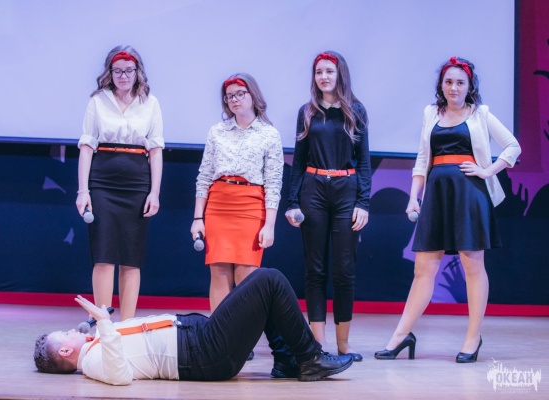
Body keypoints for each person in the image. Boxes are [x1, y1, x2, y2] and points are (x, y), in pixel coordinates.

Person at [375, 56, 521, 363]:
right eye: (449, 81)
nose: (454, 87)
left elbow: (513, 146)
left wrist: (487, 171)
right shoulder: (431, 112)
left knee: (472, 266)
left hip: (470, 194)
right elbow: (422, 158)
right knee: (423, 268)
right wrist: (413, 197)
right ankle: (400, 336)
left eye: (460, 82)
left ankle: (472, 338)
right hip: (437, 194)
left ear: (469, 86)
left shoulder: (480, 113)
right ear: (441, 85)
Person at [33, 269, 354, 384]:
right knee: (269, 280)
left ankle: (286, 361)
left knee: (261, 288)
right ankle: (310, 358)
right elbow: (119, 376)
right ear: (66, 351)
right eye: (67, 335)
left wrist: (106, 327)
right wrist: (105, 324)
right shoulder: (91, 362)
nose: (73, 331)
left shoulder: (95, 349)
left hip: (200, 340)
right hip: (204, 354)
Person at [285, 51, 371, 361]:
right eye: (319, 71)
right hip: (314, 189)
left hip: (346, 190)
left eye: (329, 71)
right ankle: (318, 347)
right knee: (315, 269)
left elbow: (364, 161)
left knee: (344, 270)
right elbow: (298, 161)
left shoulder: (356, 111)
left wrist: (363, 202)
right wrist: (292, 201)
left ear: (340, 75)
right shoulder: (307, 112)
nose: (323, 76)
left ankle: (344, 346)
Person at [76, 45, 164, 321]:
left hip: (137, 183)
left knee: (131, 257)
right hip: (102, 181)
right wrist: (83, 191)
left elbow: (156, 150)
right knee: (103, 254)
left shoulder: (150, 103)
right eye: (117, 71)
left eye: (128, 71)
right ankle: (103, 323)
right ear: (109, 73)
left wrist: (155, 192)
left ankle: (126, 327)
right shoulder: (97, 101)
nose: (123, 76)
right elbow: (87, 147)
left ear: (138, 72)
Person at [190, 73, 284, 312]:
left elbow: (274, 183)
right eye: (229, 96)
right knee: (219, 273)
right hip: (218, 205)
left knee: (247, 277)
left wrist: (270, 225)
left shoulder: (269, 134)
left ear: (253, 95)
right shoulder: (217, 131)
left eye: (239, 94)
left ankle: (244, 332)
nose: (234, 99)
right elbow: (204, 176)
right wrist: (198, 218)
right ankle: (219, 332)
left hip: (251, 207)